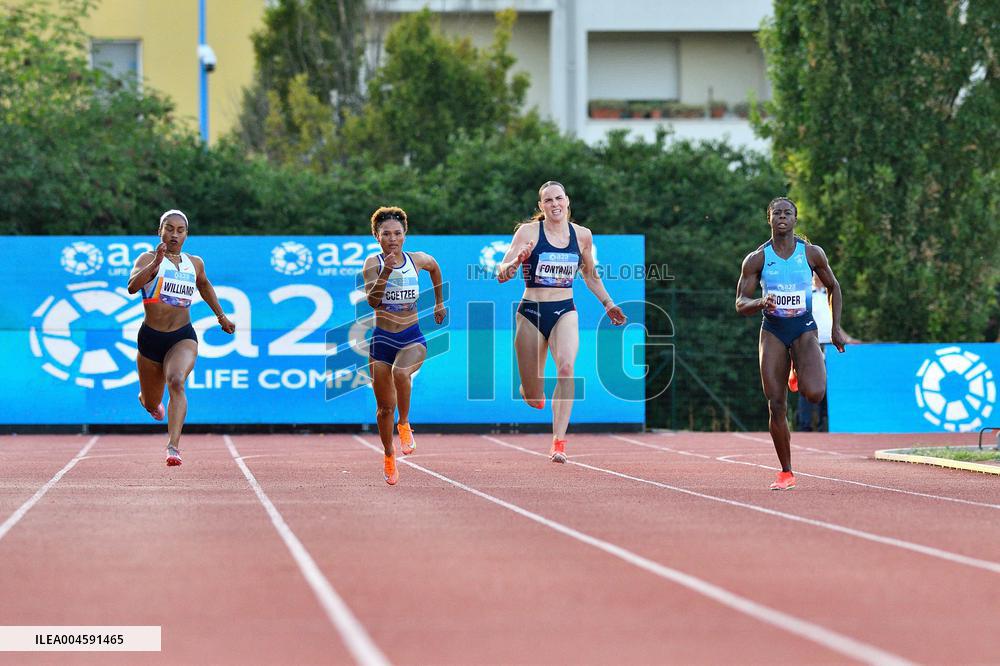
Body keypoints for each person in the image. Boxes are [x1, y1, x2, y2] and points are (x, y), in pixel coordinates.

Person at [497, 181, 627, 463]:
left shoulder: (582, 236)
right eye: (548, 201)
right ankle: (530, 390)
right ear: (541, 206)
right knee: (533, 396)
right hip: (531, 311)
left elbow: (590, 275)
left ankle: (559, 442)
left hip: (564, 310)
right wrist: (516, 263)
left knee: (567, 368)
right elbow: (501, 271)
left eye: (558, 198)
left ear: (567, 201)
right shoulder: (529, 232)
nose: (554, 204)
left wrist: (608, 303)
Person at [735, 197, 846, 489]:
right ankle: (786, 471)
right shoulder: (757, 258)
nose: (782, 217)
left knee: (815, 394)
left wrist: (835, 329)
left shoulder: (811, 253)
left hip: (804, 328)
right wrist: (761, 301)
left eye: (788, 213)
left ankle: (797, 369)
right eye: (777, 213)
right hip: (773, 330)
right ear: (769, 219)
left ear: (795, 219)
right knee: (776, 404)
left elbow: (834, 286)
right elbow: (740, 303)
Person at [127, 209, 236, 466]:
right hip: (151, 339)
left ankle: (173, 447)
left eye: (180, 230)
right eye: (169, 229)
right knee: (152, 402)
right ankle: (148, 401)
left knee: (176, 381)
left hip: (182, 337)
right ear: (160, 231)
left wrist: (221, 316)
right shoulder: (147, 258)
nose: (174, 234)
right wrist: (155, 265)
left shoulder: (194, 263)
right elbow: (132, 286)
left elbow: (204, 284)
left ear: (186, 234)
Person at [362, 206, 446, 485]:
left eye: (397, 233)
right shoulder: (372, 264)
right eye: (386, 234)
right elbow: (373, 301)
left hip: (411, 336)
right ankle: (388, 454)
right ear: (377, 236)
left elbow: (435, 268)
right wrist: (385, 271)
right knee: (384, 408)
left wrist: (439, 302)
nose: (393, 239)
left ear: (405, 235)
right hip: (382, 341)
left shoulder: (417, 259)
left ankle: (405, 422)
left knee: (402, 373)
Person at [792, 273, 859, 431]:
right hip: (810, 345)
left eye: (819, 275)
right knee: (806, 385)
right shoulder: (806, 295)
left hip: (830, 346)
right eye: (814, 275)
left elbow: (834, 323)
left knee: (827, 385)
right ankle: (805, 424)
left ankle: (825, 424)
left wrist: (848, 339)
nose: (816, 277)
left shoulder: (830, 295)